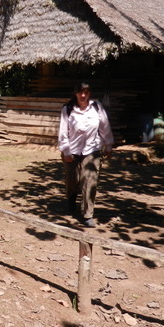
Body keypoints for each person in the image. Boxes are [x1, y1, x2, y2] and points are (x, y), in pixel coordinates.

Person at [57, 82, 114, 228]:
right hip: (72, 150)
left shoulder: (96, 107)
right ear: (75, 93)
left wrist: (108, 144)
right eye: (80, 92)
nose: (83, 95)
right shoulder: (68, 109)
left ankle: (88, 214)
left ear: (90, 93)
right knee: (73, 180)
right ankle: (71, 199)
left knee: (90, 181)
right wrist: (66, 151)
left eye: (86, 92)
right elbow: (63, 132)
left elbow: (104, 126)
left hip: (92, 149)